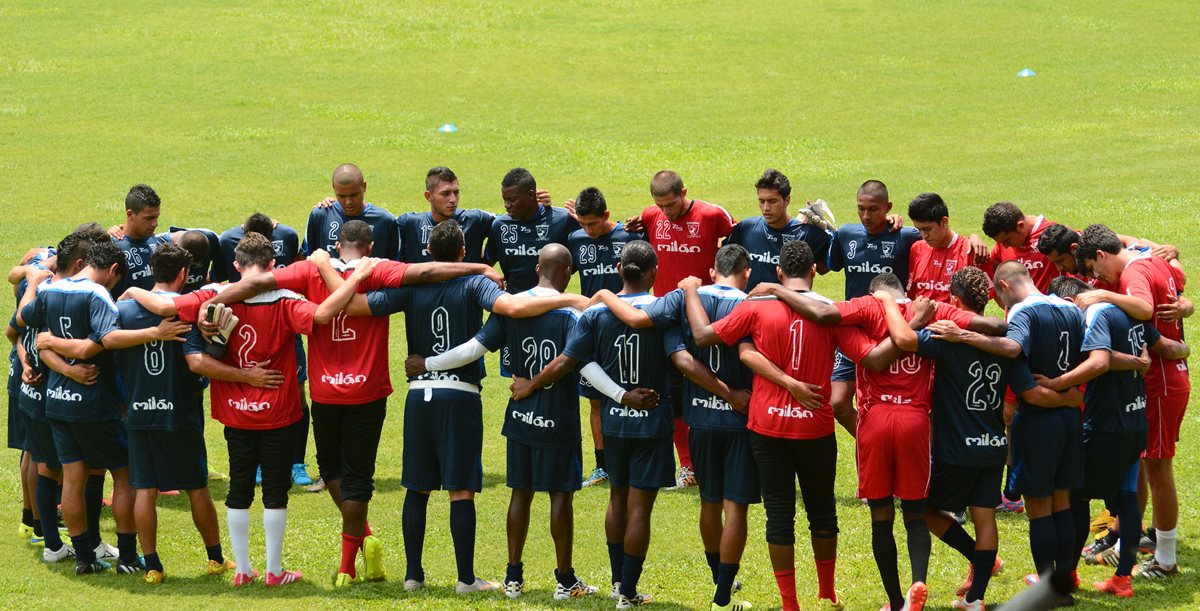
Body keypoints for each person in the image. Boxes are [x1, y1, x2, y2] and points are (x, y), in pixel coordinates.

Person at [204, 219, 502, 586]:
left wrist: (212, 303)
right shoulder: (378, 269)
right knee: (359, 477)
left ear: (336, 245)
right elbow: (425, 271)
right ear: (370, 247)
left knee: (331, 471)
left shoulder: (309, 268)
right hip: (367, 391)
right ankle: (348, 562)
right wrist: (477, 265)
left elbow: (257, 282)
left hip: (326, 392)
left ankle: (361, 542)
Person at [347, 219, 590, 595]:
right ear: (464, 253)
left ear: (429, 253)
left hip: (419, 396)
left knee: (417, 487)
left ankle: (413, 575)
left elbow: (359, 306)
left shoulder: (410, 287)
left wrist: (337, 279)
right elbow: (505, 315)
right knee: (461, 489)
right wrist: (572, 299)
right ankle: (465, 579)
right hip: (459, 395)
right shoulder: (476, 283)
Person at [123, 231, 374, 588]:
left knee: (239, 488)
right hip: (278, 411)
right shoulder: (286, 299)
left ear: (237, 265)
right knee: (274, 489)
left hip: (236, 411)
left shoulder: (215, 295)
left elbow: (164, 307)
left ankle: (242, 570)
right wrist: (355, 281)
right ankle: (273, 571)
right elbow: (323, 316)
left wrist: (132, 291)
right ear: (273, 265)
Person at [749, 269, 1005, 611]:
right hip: (916, 420)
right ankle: (918, 583)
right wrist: (959, 333)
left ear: (876, 293)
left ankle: (896, 600)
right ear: (903, 290)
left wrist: (776, 290)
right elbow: (995, 327)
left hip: (875, 421)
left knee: (881, 516)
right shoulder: (929, 308)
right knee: (915, 513)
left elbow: (823, 314)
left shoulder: (867, 307)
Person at [877, 267, 1080, 610]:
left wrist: (885, 303)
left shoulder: (946, 335)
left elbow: (905, 341)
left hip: (956, 448)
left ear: (954, 301)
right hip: (993, 446)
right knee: (985, 516)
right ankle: (976, 598)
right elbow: (1027, 387)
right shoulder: (1005, 345)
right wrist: (1067, 396)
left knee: (921, 509)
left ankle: (975, 559)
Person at [406, 244, 601, 601]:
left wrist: (428, 363)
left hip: (520, 418)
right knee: (560, 496)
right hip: (557, 419)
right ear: (568, 273)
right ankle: (565, 580)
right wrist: (621, 394)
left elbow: (473, 349)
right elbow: (580, 365)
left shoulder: (512, 307)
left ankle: (513, 578)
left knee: (520, 492)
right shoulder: (572, 312)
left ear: (537, 266)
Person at [510, 240, 674, 609]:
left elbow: (575, 361)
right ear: (654, 273)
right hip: (652, 421)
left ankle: (618, 583)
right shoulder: (665, 311)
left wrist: (616, 396)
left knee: (618, 496)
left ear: (619, 270)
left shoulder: (596, 314)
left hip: (614, 422)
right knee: (639, 508)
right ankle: (628, 593)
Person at [594, 243, 757, 611]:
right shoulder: (747, 304)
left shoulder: (686, 301)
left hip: (696, 419)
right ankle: (721, 591)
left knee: (708, 501)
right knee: (735, 506)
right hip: (735, 419)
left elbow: (681, 358)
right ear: (746, 272)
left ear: (713, 272)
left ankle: (628, 581)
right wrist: (732, 394)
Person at [681, 240, 842, 610]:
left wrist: (690, 290)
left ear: (780, 272)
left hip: (767, 427)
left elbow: (706, 337)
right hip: (815, 426)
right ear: (814, 271)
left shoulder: (755, 306)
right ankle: (828, 592)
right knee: (822, 507)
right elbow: (863, 352)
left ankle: (789, 604)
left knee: (779, 514)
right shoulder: (832, 311)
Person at [84, 244, 243, 583]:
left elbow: (108, 360)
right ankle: (215, 559)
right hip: (179, 413)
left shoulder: (122, 312)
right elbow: (200, 361)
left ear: (152, 270)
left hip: (138, 414)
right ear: (183, 274)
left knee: (145, 489)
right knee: (196, 486)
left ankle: (153, 566)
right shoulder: (186, 312)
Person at [927, 262, 1086, 591]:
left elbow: (1013, 350)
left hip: (1039, 421)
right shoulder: (1070, 309)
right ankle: (1066, 580)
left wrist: (963, 334)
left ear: (1004, 286)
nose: (1002, 307)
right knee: (1063, 502)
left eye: (1000, 298)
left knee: (1039, 507)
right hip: (1070, 422)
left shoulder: (1023, 313)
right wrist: (1072, 397)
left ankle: (1048, 587)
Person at [1039, 276, 1190, 598]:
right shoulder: (1128, 314)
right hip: (1136, 420)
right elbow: (1164, 346)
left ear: (1072, 300)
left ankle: (1067, 575)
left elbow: (1101, 360)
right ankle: (1122, 579)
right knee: (1126, 498)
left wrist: (1056, 383)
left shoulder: (1095, 315)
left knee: (1077, 500)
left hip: (1104, 424)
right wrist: (1184, 349)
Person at [1073, 224, 1193, 579]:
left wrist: (1102, 297)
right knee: (1141, 464)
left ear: (1101, 254)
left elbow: (1143, 307)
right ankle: (1129, 539)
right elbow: (1178, 288)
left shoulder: (1136, 269)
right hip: (1161, 377)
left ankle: (1165, 560)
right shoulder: (1150, 256)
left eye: (1096, 269)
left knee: (1158, 468)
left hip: (1161, 381)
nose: (1097, 277)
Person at [17, 239, 137, 575]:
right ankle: (127, 557)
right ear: (112, 271)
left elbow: (26, 321)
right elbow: (103, 341)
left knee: (72, 477)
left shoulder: (52, 290)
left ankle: (85, 559)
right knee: (124, 475)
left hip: (57, 402)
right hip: (96, 404)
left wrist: (52, 343)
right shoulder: (98, 295)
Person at [635, 170, 737, 488]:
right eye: (660, 206)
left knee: (713, 384)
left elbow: (734, 252)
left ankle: (724, 458)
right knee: (673, 390)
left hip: (705, 315)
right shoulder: (650, 216)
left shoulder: (713, 215)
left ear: (684, 192)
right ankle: (688, 465)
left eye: (671, 204)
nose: (666, 212)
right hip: (666, 315)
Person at [213, 213, 313, 487]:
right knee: (250, 388)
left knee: (297, 393)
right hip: (244, 325)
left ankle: (296, 462)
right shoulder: (227, 241)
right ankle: (256, 463)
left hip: (282, 325)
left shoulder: (287, 236)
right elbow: (221, 281)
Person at [11, 232, 93, 563]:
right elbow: (33, 338)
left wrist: (25, 359)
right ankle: (52, 541)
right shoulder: (59, 295)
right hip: (47, 389)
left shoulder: (37, 284)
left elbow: (14, 331)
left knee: (37, 457)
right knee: (52, 467)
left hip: (29, 384)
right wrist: (69, 370)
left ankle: (42, 532)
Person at [825, 180, 920, 437]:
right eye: (861, 208)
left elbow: (940, 240)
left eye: (874, 209)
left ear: (888, 207)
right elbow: (827, 266)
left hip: (890, 331)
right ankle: (869, 441)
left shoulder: (907, 236)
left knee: (893, 403)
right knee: (837, 403)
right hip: (854, 332)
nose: (866, 216)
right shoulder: (846, 235)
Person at [568, 186, 645, 487]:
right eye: (582, 223)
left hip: (626, 329)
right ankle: (603, 466)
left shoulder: (628, 238)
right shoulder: (575, 239)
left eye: (593, 224)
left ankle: (635, 461)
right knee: (596, 402)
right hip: (593, 331)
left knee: (632, 393)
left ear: (607, 215)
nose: (587, 230)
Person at [725, 168, 832, 291]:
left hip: (789, 309)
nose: (766, 208)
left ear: (787, 201)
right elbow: (724, 258)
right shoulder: (746, 228)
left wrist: (830, 237)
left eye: (772, 201)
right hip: (751, 307)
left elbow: (824, 269)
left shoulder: (807, 234)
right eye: (761, 201)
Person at [488, 167, 579, 293]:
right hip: (515, 304)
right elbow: (487, 262)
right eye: (505, 199)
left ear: (531, 195)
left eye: (512, 200)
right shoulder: (500, 226)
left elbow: (582, 259)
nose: (507, 205)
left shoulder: (563, 220)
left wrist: (583, 221)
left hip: (550, 305)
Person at [397, 166, 494, 263]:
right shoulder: (409, 224)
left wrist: (489, 258)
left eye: (456, 192)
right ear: (428, 196)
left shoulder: (475, 220)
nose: (453, 200)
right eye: (445, 193)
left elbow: (504, 223)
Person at [905, 193, 988, 303]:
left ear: (944, 222)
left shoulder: (970, 251)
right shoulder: (917, 249)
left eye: (928, 229)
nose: (924, 235)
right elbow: (911, 297)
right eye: (919, 230)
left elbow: (988, 297)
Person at [307, 163, 399, 260]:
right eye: (341, 196)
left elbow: (395, 265)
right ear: (334, 188)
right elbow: (307, 258)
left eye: (354, 195)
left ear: (364, 186)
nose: (348, 202)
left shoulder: (385, 221)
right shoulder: (321, 215)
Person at [112, 184, 171, 296]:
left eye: (156, 217)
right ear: (130, 215)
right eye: (149, 218)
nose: (155, 224)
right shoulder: (112, 247)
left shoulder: (157, 242)